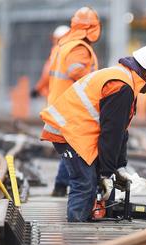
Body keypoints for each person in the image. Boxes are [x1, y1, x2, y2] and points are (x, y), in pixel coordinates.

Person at [40, 45, 146, 222]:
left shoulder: (124, 80)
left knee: (91, 181)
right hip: (69, 132)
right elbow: (111, 134)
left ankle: (86, 218)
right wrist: (107, 173)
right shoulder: (122, 87)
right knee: (84, 183)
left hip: (77, 132)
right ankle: (77, 227)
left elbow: (120, 130)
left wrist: (118, 167)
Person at [39, 7, 101, 197]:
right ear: (92, 28)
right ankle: (69, 193)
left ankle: (60, 187)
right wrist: (97, 81)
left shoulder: (65, 45)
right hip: (72, 108)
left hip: (62, 104)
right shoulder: (79, 48)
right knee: (77, 150)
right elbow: (76, 71)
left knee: (71, 150)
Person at [31, 25, 70, 99]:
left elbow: (47, 74)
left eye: (55, 39)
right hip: (66, 96)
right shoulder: (72, 51)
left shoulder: (56, 52)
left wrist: (37, 89)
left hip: (56, 96)